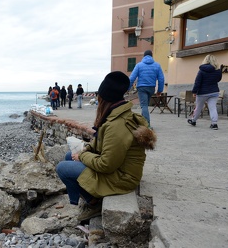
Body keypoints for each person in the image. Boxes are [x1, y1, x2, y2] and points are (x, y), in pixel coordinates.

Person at [56, 71, 157, 221]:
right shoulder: (116, 115)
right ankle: (85, 197)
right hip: (119, 169)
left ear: (103, 99)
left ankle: (93, 202)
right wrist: (86, 150)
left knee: (62, 168)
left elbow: (106, 165)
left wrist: (82, 156)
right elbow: (100, 144)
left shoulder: (117, 125)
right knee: (68, 157)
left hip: (123, 178)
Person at [129, 50, 165, 128]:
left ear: (144, 56)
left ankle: (147, 125)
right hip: (151, 88)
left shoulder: (139, 65)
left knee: (144, 106)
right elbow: (161, 79)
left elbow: (132, 78)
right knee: (145, 105)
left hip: (141, 88)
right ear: (152, 56)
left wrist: (128, 88)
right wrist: (159, 90)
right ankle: (142, 122)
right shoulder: (157, 65)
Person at [187, 54, 222, 130]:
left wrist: (194, 92)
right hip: (214, 91)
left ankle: (193, 120)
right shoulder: (218, 70)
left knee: (198, 107)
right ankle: (214, 124)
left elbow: (197, 82)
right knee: (212, 108)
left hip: (202, 92)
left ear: (205, 60)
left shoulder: (202, 70)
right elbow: (218, 80)